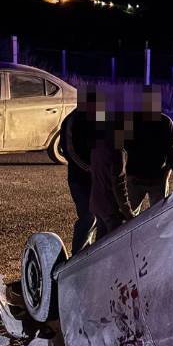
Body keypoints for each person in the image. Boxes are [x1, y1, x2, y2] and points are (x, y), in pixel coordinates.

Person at [61, 90, 102, 255]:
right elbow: (69, 151)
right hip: (79, 180)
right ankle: (78, 254)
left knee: (100, 216)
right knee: (88, 216)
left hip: (98, 178)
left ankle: (90, 252)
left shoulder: (99, 118)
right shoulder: (71, 121)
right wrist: (88, 168)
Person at [125, 87, 173, 210]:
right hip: (139, 178)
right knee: (154, 219)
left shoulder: (165, 123)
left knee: (132, 218)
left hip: (152, 179)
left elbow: (172, 152)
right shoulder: (165, 122)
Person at [88, 111, 137, 241]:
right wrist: (128, 213)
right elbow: (119, 184)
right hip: (110, 207)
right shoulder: (117, 151)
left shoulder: (98, 145)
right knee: (114, 243)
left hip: (97, 201)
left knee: (100, 242)